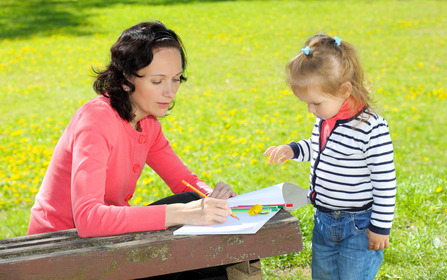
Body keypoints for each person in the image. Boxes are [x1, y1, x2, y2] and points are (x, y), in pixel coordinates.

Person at [28, 21, 236, 241]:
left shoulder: (147, 124)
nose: (170, 92)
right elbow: (88, 219)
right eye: (157, 81)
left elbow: (182, 180)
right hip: (58, 247)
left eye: (176, 79)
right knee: (188, 220)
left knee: (190, 201)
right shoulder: (95, 121)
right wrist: (183, 213)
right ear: (126, 80)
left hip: (102, 240)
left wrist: (213, 198)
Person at [263, 33, 396, 279]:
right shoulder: (326, 119)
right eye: (306, 104)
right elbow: (320, 147)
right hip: (324, 221)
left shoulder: (371, 128)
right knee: (323, 275)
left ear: (344, 90)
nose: (311, 110)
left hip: (359, 225)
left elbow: (385, 183)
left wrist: (380, 227)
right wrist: (293, 149)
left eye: (315, 103)